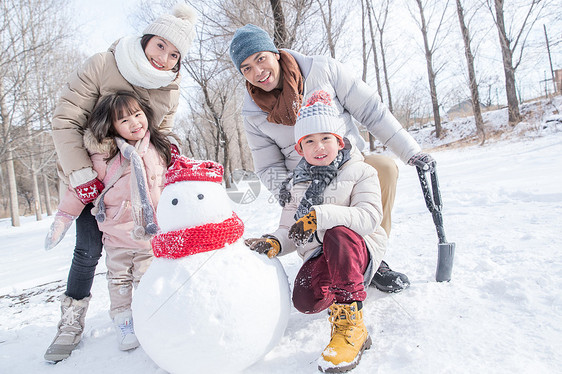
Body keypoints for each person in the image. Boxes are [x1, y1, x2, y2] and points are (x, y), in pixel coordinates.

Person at [229, 24, 436, 293]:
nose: (258, 71)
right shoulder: (253, 114)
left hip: (349, 162)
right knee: (323, 215)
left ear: (274, 53)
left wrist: (412, 152)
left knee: (384, 168)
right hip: (306, 179)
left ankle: (372, 255)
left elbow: (372, 111)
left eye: (260, 58)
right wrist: (288, 191)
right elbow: (268, 164)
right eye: (246, 68)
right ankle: (325, 259)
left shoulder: (323, 70)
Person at [44, 4, 197, 362]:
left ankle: (150, 311)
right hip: (94, 175)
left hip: (142, 182)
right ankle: (71, 322)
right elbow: (65, 119)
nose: (164, 58)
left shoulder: (169, 87)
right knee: (88, 250)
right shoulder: (103, 63)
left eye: (174, 55)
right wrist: (81, 174)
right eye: (160, 46)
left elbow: (163, 132)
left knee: (149, 254)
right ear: (146, 39)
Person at [245, 91, 387, 373]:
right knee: (305, 300)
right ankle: (344, 284)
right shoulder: (296, 184)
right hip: (320, 254)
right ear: (300, 149)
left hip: (358, 250)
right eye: (309, 141)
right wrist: (274, 242)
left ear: (339, 141)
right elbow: (289, 229)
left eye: (326, 138)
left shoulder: (360, 171)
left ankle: (352, 324)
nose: (318, 146)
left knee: (337, 233)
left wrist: (319, 216)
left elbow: (369, 217)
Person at [46, 91, 170, 352]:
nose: (135, 123)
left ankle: (151, 316)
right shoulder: (103, 156)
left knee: (147, 278)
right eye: (124, 120)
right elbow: (79, 189)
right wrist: (63, 217)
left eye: (137, 115)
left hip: (150, 234)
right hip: (116, 234)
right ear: (111, 126)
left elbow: (171, 180)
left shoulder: (157, 148)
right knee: (119, 280)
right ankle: (123, 319)